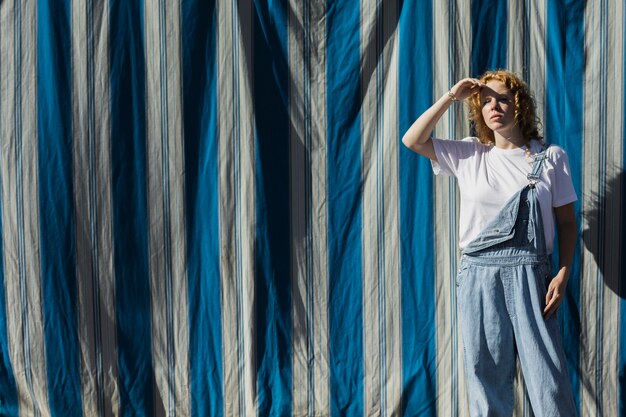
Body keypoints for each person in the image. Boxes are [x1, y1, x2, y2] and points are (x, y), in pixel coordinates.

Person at [402, 70, 578, 416]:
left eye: (502, 98)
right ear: (478, 112)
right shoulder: (469, 154)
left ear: (520, 105)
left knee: (548, 380)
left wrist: (563, 272)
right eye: (485, 101)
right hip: (479, 275)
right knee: (486, 377)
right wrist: (451, 96)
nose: (493, 106)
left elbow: (567, 223)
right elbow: (412, 139)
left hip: (532, 276)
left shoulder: (550, 157)